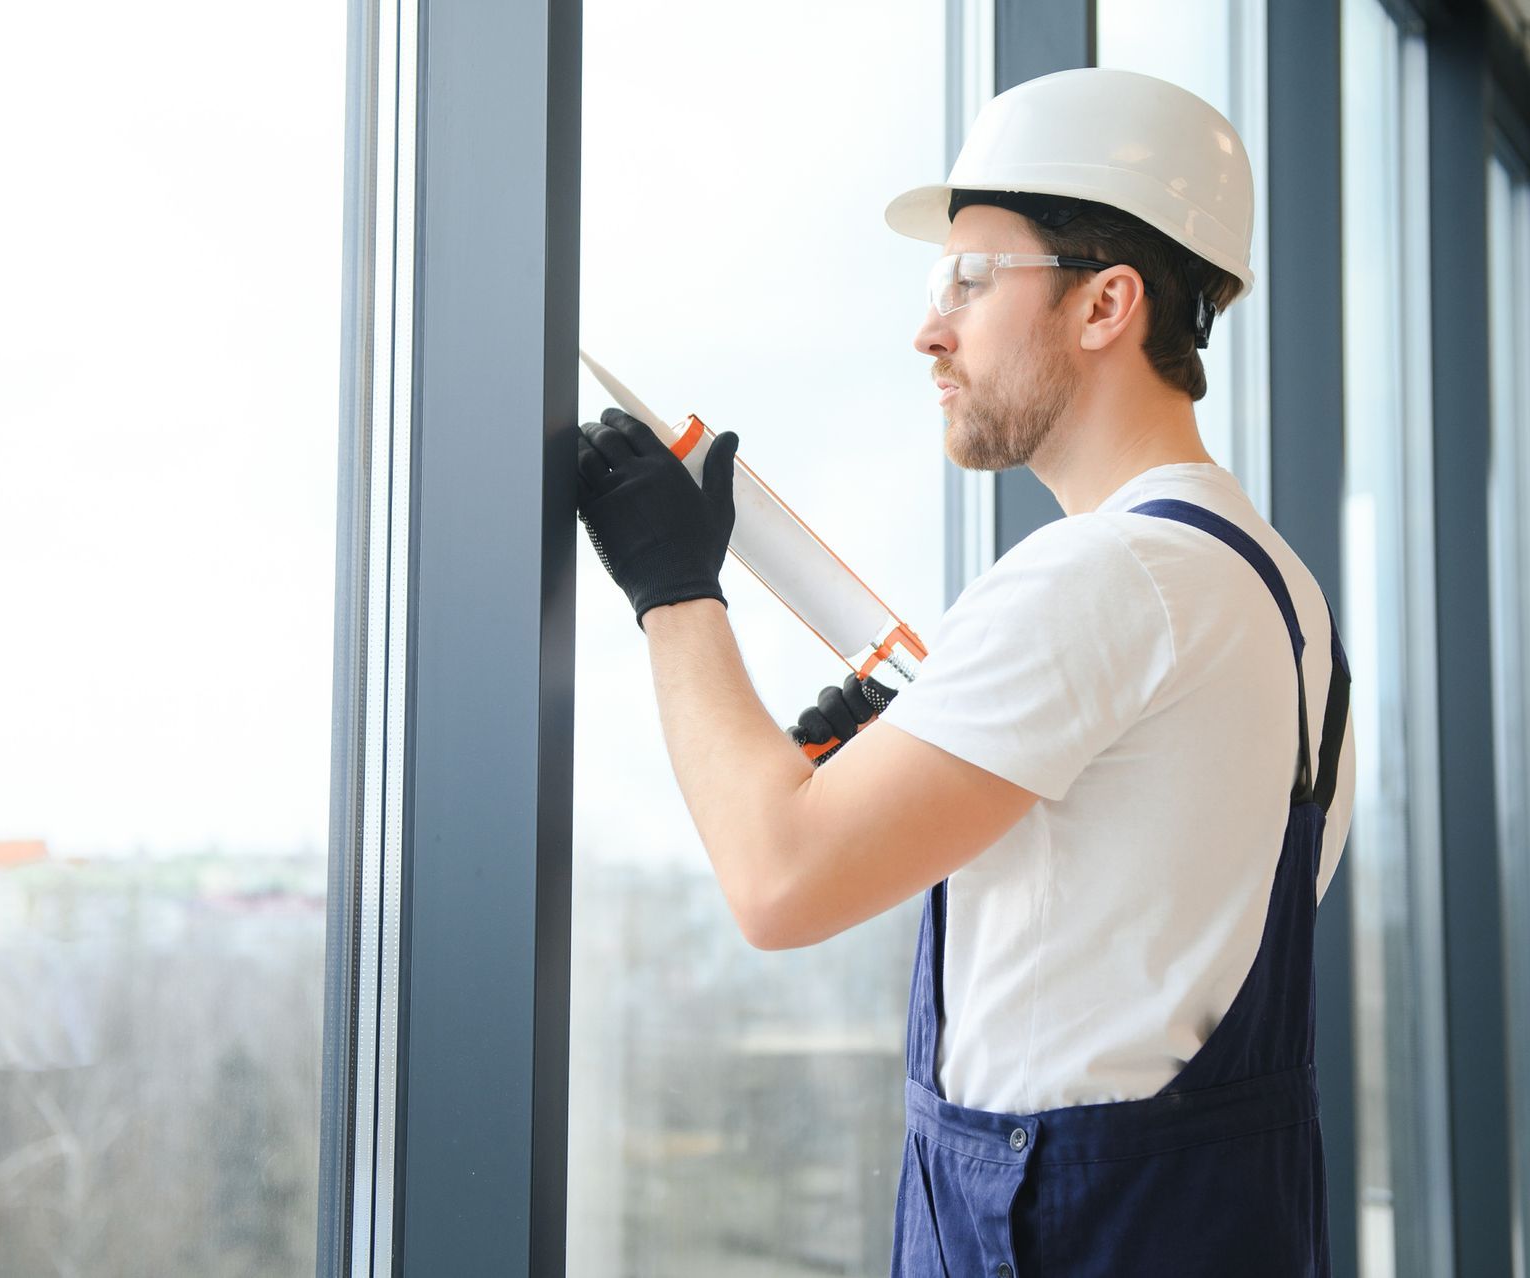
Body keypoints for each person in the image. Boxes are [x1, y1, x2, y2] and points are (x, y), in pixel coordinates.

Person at [574, 66, 1354, 1276]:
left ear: (1107, 305)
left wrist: (673, 590)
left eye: (974, 280)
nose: (931, 327)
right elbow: (1121, 930)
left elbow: (778, 885)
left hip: (1066, 1237)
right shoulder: (1286, 602)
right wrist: (886, 767)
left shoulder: (1100, 581)